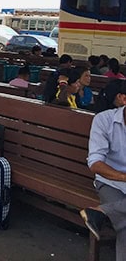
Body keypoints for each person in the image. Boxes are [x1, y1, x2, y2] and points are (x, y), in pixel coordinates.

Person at [80, 80, 126, 259]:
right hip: (110, 182)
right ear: (123, 99)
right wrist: (123, 177)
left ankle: (101, 212)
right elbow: (95, 164)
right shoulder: (104, 120)